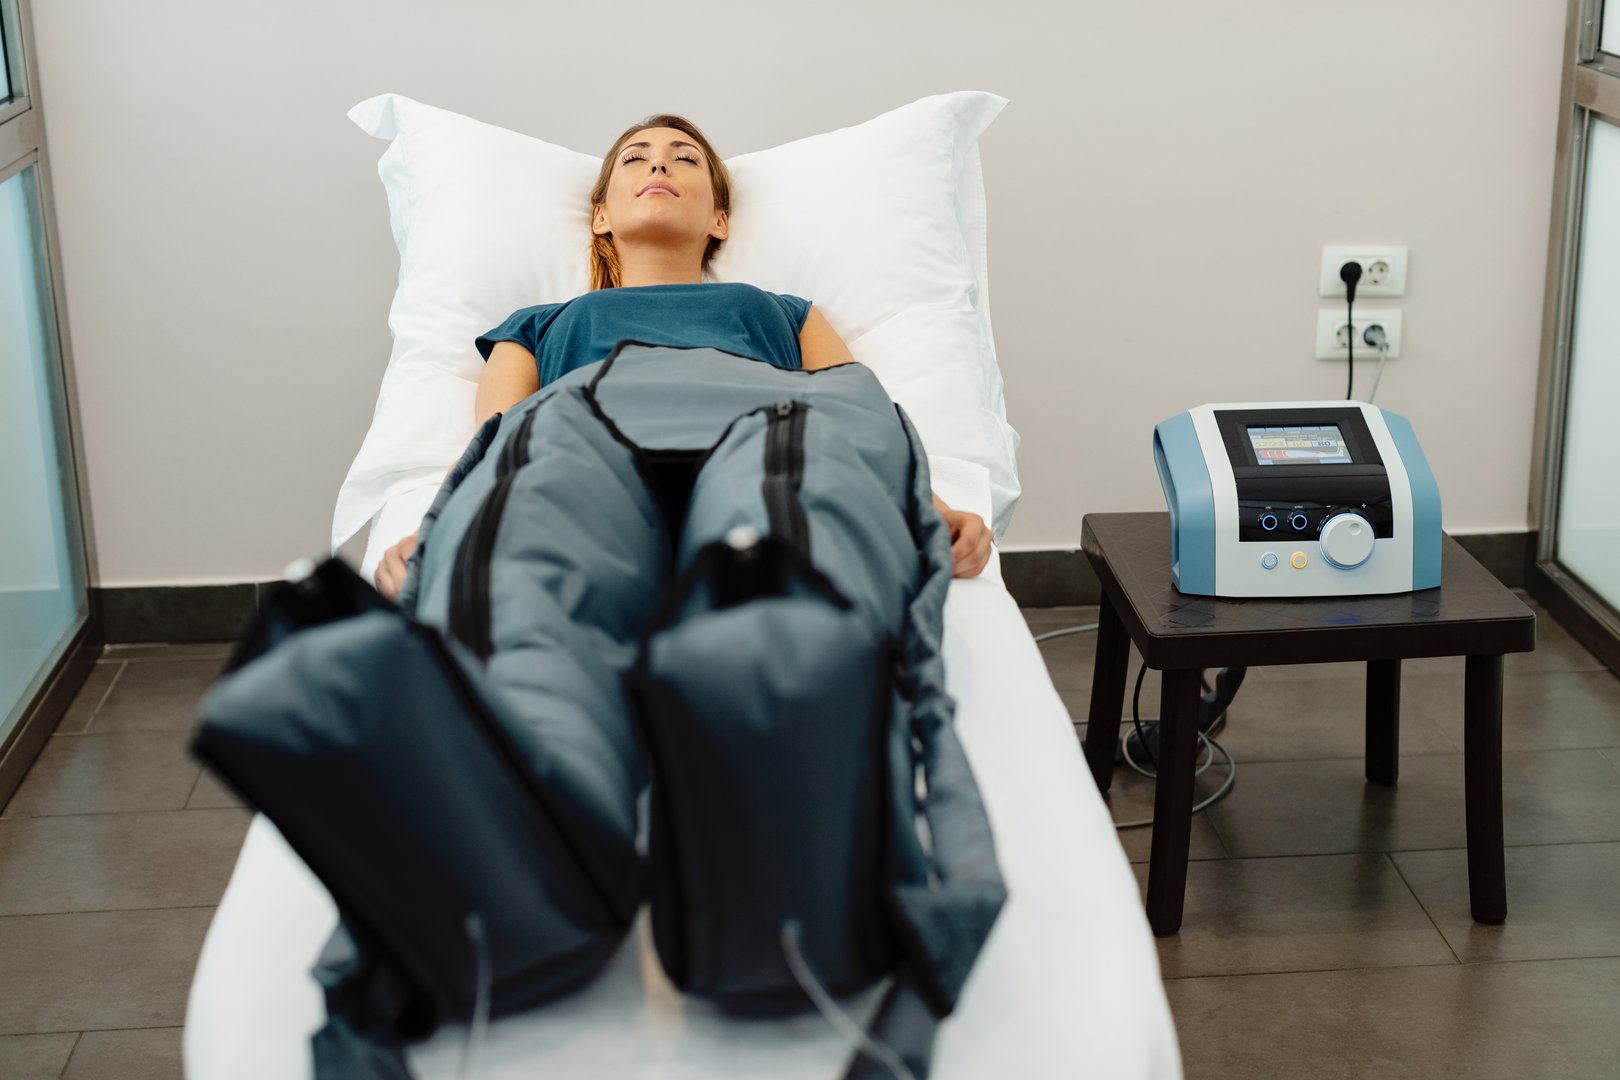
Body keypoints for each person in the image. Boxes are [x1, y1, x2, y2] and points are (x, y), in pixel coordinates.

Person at [375, 114, 992, 600]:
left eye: (685, 158)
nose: (659, 164)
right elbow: (501, 441)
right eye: (635, 159)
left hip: (756, 447)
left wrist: (931, 510)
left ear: (719, 219)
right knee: (544, 551)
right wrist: (438, 535)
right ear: (599, 216)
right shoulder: (537, 326)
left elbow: (858, 414)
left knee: (773, 541)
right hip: (593, 456)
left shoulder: (783, 312)